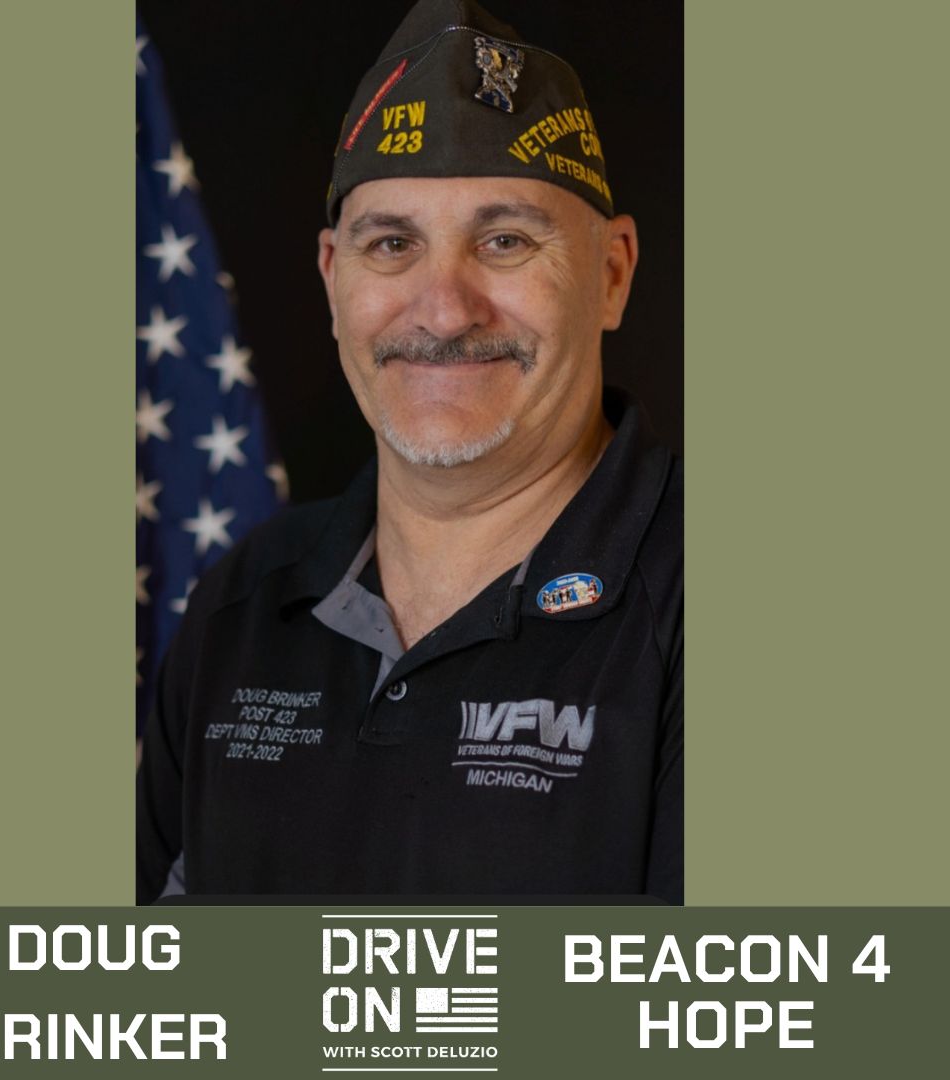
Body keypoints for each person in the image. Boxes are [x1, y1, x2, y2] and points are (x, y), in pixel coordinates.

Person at [137, 0, 682, 904]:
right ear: (333, 279)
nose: (443, 310)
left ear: (612, 275)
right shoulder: (242, 604)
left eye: (504, 241)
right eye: (392, 244)